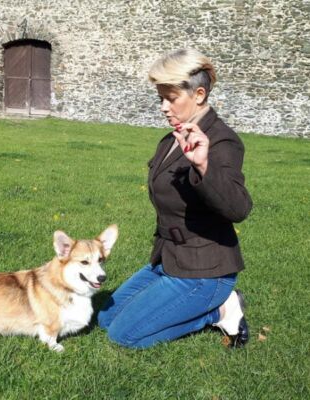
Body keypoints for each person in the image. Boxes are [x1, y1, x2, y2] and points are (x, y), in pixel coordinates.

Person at [98, 48, 253, 348]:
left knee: (124, 336)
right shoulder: (172, 138)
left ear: (198, 94)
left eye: (170, 98)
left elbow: (239, 207)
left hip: (205, 271)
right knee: (106, 318)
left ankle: (221, 310)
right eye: (160, 99)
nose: (163, 108)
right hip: (168, 260)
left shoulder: (222, 141)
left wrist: (204, 166)